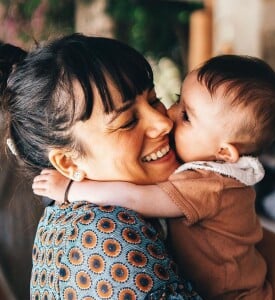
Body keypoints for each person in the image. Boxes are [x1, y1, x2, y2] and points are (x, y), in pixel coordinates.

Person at [34, 55, 275, 299]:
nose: (167, 119)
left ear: (224, 152)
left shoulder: (209, 184)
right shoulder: (106, 237)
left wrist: (72, 190)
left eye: (186, 116)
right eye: (129, 120)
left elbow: (137, 198)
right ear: (66, 162)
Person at [0, 34, 202, 300]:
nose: (163, 123)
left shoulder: (77, 216)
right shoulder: (111, 237)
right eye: (128, 121)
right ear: (68, 162)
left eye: (154, 100)